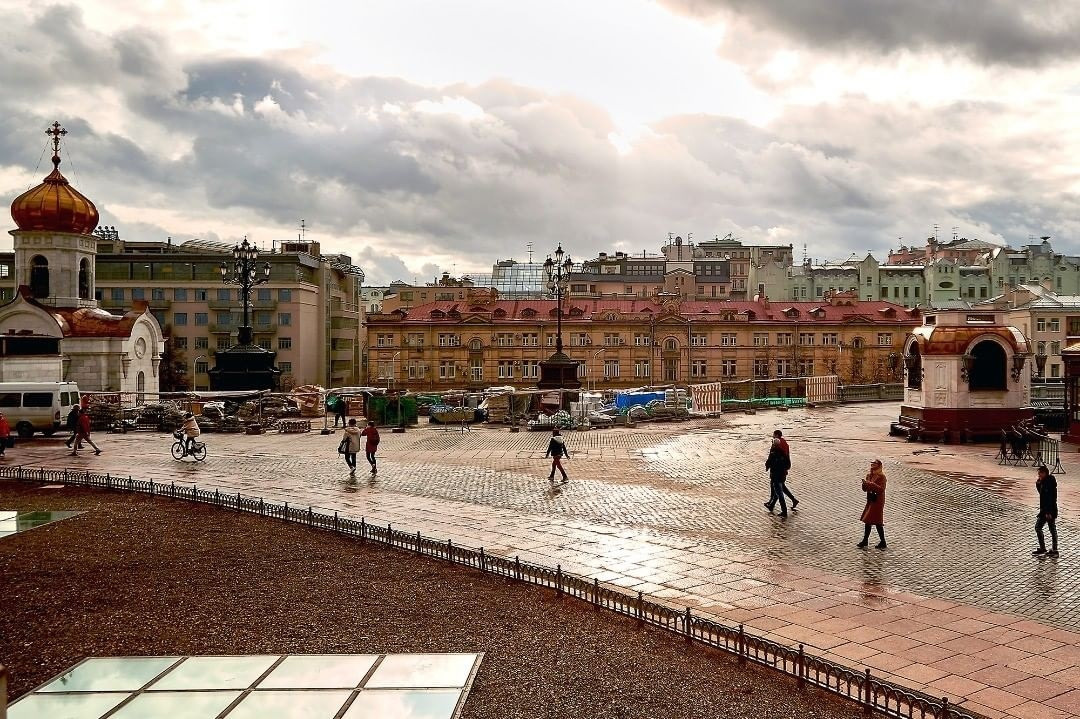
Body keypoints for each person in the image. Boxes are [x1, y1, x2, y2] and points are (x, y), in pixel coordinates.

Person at [764, 430, 798, 514]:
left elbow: (769, 460)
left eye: (773, 434)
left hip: (776, 473)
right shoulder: (784, 444)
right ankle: (772, 504)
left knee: (777, 488)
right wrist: (786, 468)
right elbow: (787, 460)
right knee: (780, 487)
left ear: (776, 435)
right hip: (783, 472)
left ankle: (781, 508)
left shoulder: (774, 450)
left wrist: (767, 466)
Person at [858, 459, 886, 549]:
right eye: (872, 463)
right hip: (870, 499)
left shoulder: (882, 477)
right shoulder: (869, 475)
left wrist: (870, 484)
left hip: (878, 501)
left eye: (875, 463)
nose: (872, 465)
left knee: (877, 521)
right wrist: (864, 484)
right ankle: (866, 540)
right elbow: (865, 489)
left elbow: (881, 489)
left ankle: (882, 541)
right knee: (868, 520)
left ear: (879, 465)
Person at [1033, 465, 1059, 558]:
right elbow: (1042, 494)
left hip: (1049, 511)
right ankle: (1043, 547)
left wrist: (1049, 512)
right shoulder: (1044, 482)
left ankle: (1054, 549)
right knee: (1038, 527)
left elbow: (1050, 499)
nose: (1039, 475)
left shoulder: (1049, 483)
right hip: (1044, 510)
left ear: (1044, 473)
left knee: (1051, 529)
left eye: (1040, 473)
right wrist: (1038, 484)